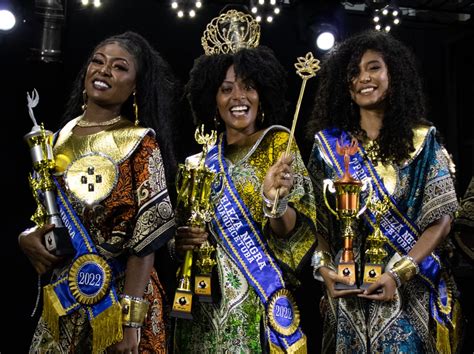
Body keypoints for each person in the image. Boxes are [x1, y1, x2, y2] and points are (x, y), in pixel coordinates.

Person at [18, 31, 178, 353]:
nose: (104, 71)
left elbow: (147, 237)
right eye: (98, 61)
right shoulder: (57, 138)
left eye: (120, 67)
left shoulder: (140, 141)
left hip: (121, 301)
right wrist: (27, 237)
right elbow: (48, 216)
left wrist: (131, 320)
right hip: (65, 296)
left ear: (135, 87)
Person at [307, 29, 462, 353]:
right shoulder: (328, 147)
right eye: (355, 72)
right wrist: (325, 270)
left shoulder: (423, 141)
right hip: (348, 297)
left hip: (409, 294)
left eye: (374, 67)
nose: (364, 77)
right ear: (345, 85)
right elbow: (317, 224)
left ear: (393, 73)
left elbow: (442, 220)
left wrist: (398, 273)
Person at [172, 9, 317, 353]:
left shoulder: (278, 144)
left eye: (249, 86)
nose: (238, 97)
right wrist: (181, 242)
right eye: (226, 89)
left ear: (262, 94)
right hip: (200, 309)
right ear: (213, 99)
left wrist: (275, 202)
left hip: (257, 303)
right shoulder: (197, 163)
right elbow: (176, 237)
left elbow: (293, 235)